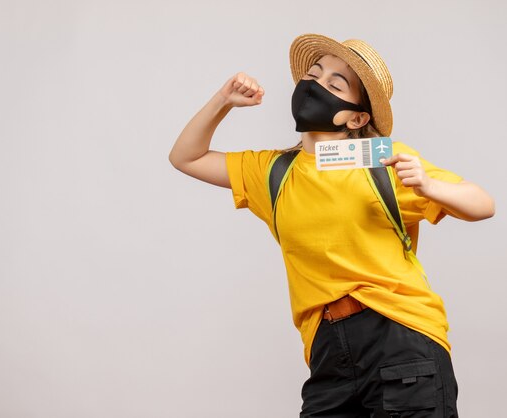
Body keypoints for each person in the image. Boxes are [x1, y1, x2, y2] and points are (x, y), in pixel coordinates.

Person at [168, 33, 494, 417]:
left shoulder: (385, 160)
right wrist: (223, 101)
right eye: (313, 74)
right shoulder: (271, 171)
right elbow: (185, 157)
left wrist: (428, 185)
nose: (315, 85)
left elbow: (483, 205)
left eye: (335, 83)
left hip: (400, 337)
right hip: (327, 356)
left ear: (357, 118)